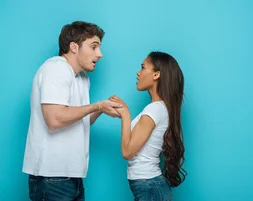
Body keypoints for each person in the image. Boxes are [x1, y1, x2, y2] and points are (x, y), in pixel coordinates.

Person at [23, 21, 121, 201]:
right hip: (51, 176)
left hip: (72, 176)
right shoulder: (55, 68)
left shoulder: (82, 78)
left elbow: (79, 120)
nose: (100, 54)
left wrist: (102, 109)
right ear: (74, 47)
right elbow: (54, 120)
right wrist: (97, 106)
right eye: (94, 47)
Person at [110, 51, 187, 201]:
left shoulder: (155, 109)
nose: (138, 73)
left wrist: (125, 114)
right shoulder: (160, 108)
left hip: (149, 184)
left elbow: (127, 152)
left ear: (156, 74)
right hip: (149, 185)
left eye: (143, 67)